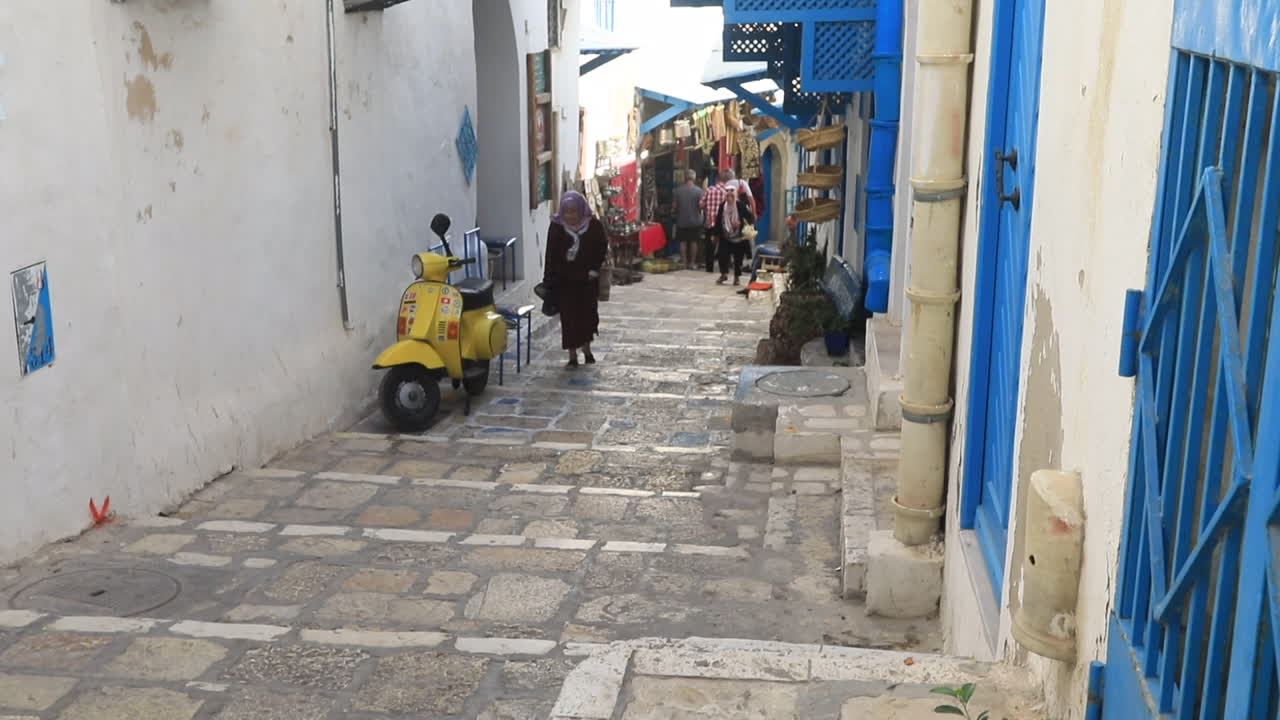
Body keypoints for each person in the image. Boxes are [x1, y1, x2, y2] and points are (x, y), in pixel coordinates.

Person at [545, 191, 607, 368]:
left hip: (587, 280)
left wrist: (594, 269)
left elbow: (601, 247)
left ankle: (587, 350)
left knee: (587, 315)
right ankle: (572, 356)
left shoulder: (593, 225)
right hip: (565, 281)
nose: (570, 216)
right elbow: (551, 254)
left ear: (581, 209)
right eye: (566, 212)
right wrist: (549, 278)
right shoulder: (557, 226)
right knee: (569, 318)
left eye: (574, 211)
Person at [714, 181, 756, 285]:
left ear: (735, 196)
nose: (729, 198)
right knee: (722, 255)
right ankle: (723, 274)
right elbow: (718, 220)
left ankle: (736, 277)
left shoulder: (740, 205)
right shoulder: (722, 206)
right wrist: (715, 235)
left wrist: (740, 222)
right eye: (727, 196)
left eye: (731, 196)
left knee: (738, 258)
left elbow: (750, 218)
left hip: (738, 237)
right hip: (726, 235)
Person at [699, 170, 732, 274]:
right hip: (722, 224)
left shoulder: (709, 190)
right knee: (723, 247)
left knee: (709, 247)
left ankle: (709, 268)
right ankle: (723, 269)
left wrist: (708, 207)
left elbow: (701, 204)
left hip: (710, 223)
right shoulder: (728, 191)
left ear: (717, 180)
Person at [672, 169, 704, 270]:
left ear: (685, 178)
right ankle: (692, 263)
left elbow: (674, 206)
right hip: (696, 221)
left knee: (683, 242)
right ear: (694, 178)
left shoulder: (677, 190)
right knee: (694, 242)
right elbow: (701, 206)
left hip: (682, 220)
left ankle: (684, 262)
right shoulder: (699, 191)